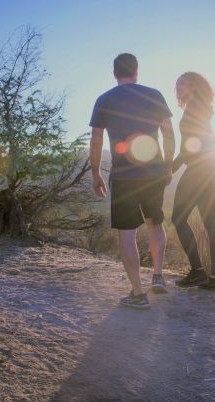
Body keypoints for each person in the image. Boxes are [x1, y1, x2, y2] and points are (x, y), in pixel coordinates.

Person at [90, 53, 175, 309]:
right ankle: (158, 276)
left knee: (127, 234)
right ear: (137, 70)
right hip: (153, 174)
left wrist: (96, 173)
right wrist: (168, 164)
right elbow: (169, 132)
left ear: (114, 73)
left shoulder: (104, 99)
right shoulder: (154, 94)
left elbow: (96, 141)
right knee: (155, 221)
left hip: (124, 176)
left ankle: (138, 293)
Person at [171, 72, 215, 292]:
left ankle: (198, 271)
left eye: (182, 83)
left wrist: (170, 169)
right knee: (212, 226)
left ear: (193, 86)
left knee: (178, 218)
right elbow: (211, 141)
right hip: (207, 173)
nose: (178, 87)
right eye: (176, 85)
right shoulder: (200, 108)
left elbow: (189, 148)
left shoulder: (194, 110)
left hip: (196, 173)